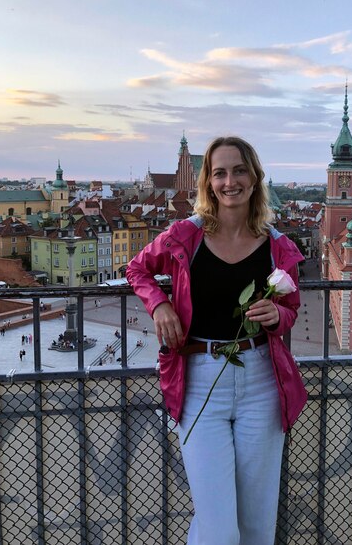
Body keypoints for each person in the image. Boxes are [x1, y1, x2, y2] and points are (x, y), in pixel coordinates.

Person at [126, 136, 307, 545]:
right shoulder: (184, 236)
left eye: (239, 170)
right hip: (200, 380)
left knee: (258, 527)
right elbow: (136, 269)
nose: (230, 182)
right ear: (207, 181)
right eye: (220, 173)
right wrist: (159, 306)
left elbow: (292, 308)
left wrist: (278, 315)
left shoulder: (277, 246)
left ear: (254, 178)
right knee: (220, 528)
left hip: (261, 380)